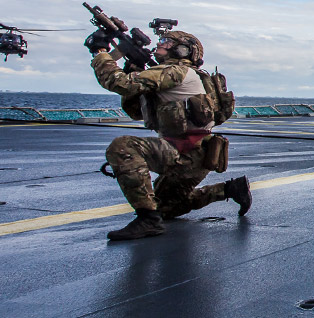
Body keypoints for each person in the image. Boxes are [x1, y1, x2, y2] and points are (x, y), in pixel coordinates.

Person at [88, 30, 252, 241]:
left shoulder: (176, 72)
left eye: (166, 41)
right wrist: (132, 69)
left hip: (185, 153)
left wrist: (100, 52)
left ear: (182, 49)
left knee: (123, 147)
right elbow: (136, 111)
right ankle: (229, 189)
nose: (160, 44)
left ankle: (148, 220)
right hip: (196, 156)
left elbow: (119, 83)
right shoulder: (181, 74)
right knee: (165, 208)